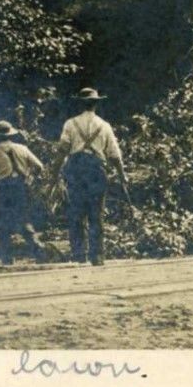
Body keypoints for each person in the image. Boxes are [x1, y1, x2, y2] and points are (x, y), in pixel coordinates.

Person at [58, 88, 129, 265]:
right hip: (96, 171)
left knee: (76, 213)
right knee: (96, 214)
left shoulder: (70, 124)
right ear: (96, 104)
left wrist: (55, 173)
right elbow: (114, 155)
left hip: (76, 170)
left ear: (80, 104)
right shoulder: (104, 126)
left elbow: (62, 150)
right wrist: (122, 176)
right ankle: (97, 256)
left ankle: (78, 255)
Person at [0, 120, 47, 264]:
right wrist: (30, 177)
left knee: (3, 221)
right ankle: (37, 249)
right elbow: (40, 166)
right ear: (11, 135)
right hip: (22, 187)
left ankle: (7, 257)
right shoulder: (22, 149)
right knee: (24, 217)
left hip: (4, 189)